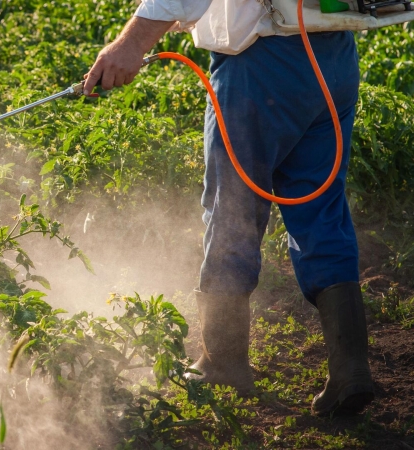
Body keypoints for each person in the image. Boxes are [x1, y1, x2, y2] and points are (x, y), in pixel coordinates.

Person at [82, 0, 374, 416]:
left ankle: (223, 361)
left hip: (262, 67)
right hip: (333, 60)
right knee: (322, 209)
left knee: (232, 210)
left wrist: (131, 43)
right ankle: (350, 369)